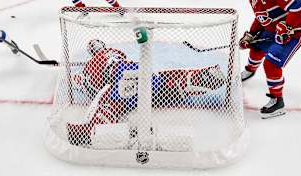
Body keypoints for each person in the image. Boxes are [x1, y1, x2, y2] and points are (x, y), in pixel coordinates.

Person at [67, 39, 225, 146]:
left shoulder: (90, 64)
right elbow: (122, 58)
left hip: (119, 85)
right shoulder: (114, 52)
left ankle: (89, 131)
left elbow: (93, 89)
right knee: (163, 81)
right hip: (139, 73)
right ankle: (199, 77)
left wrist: (80, 79)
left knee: (108, 102)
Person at [239, 0, 301, 119]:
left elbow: (299, 7)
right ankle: (250, 71)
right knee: (256, 47)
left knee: (271, 64)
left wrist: (287, 26)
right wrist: (251, 34)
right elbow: (261, 18)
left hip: (295, 32)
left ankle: (277, 101)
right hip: (276, 29)